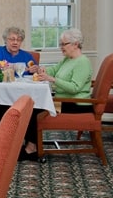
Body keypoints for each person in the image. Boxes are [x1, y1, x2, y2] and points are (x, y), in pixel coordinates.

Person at [19, 28, 93, 160]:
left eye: (64, 44)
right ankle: (31, 144)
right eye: (61, 44)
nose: (61, 47)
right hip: (63, 101)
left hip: (76, 105)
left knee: (33, 110)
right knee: (31, 106)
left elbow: (75, 88)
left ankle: (31, 147)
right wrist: (42, 69)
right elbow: (54, 69)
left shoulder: (83, 62)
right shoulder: (68, 59)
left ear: (75, 44)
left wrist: (52, 79)